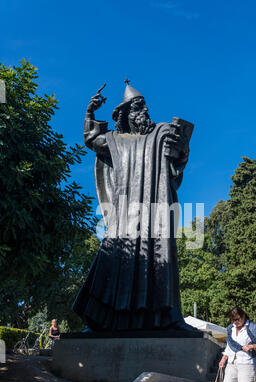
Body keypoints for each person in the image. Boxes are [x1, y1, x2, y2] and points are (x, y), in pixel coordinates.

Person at [72, 80, 196, 332]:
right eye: (139, 107)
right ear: (126, 113)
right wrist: (89, 112)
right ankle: (103, 319)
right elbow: (92, 139)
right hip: (125, 214)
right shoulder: (116, 140)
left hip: (156, 210)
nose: (145, 110)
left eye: (145, 106)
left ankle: (168, 318)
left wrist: (181, 147)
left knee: (159, 258)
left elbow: (180, 152)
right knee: (116, 258)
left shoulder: (161, 132)